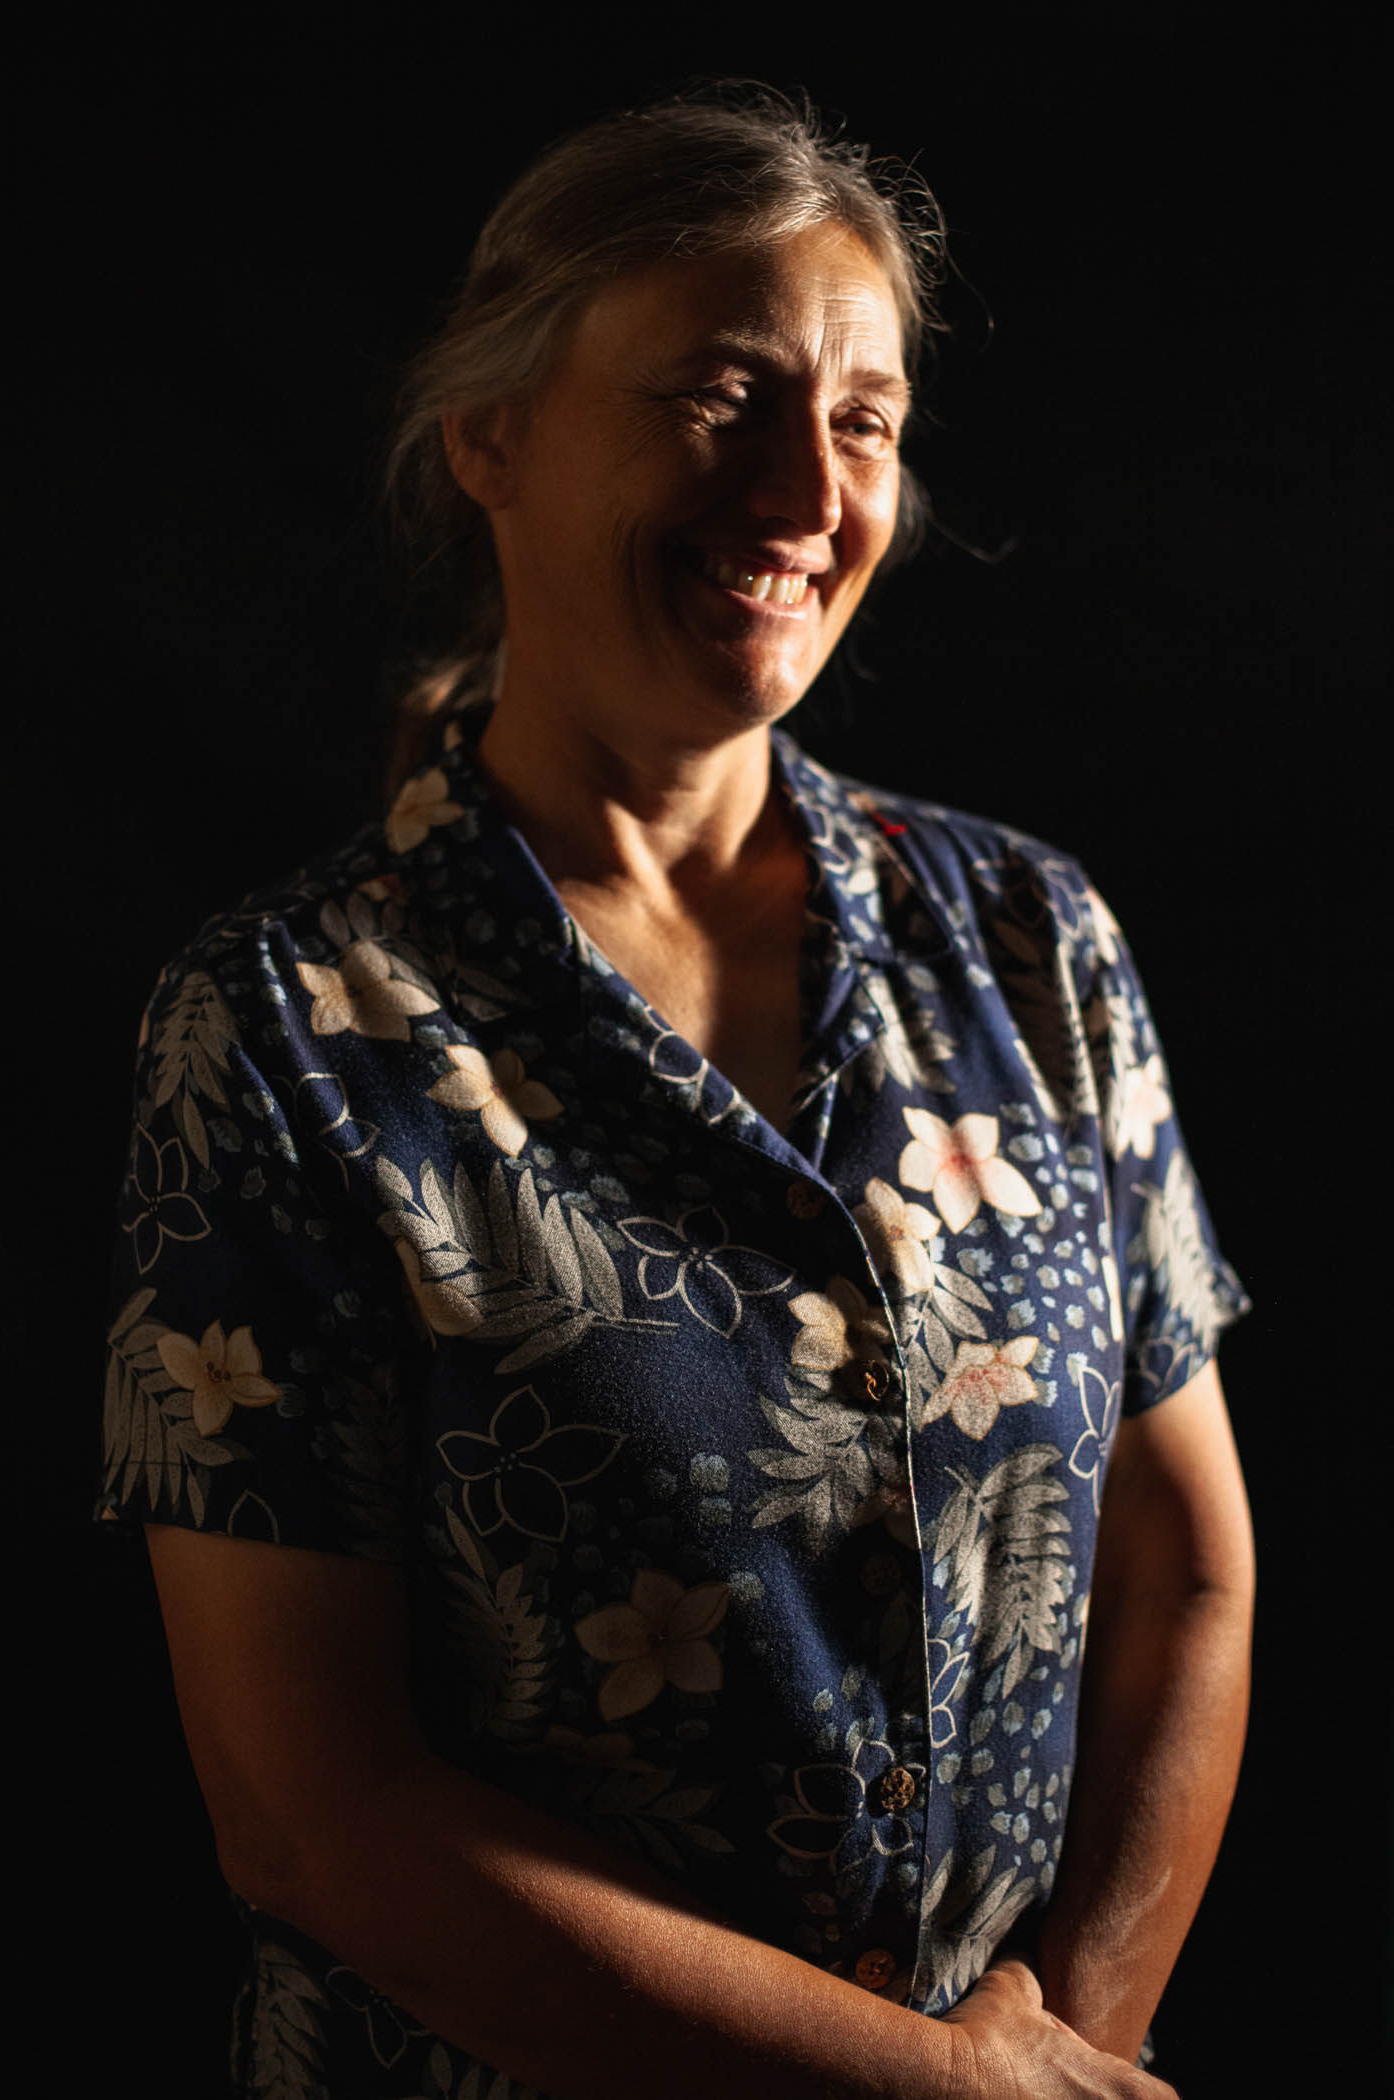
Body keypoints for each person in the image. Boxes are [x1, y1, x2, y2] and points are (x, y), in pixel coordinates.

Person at [99, 86, 1254, 2100]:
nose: (809, 490)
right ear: (491, 436)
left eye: (865, 420)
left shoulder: (1030, 941)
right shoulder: (281, 1027)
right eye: (723, 396)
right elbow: (308, 1809)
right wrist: (921, 2090)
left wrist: (1063, 2058)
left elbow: (1190, 1574)